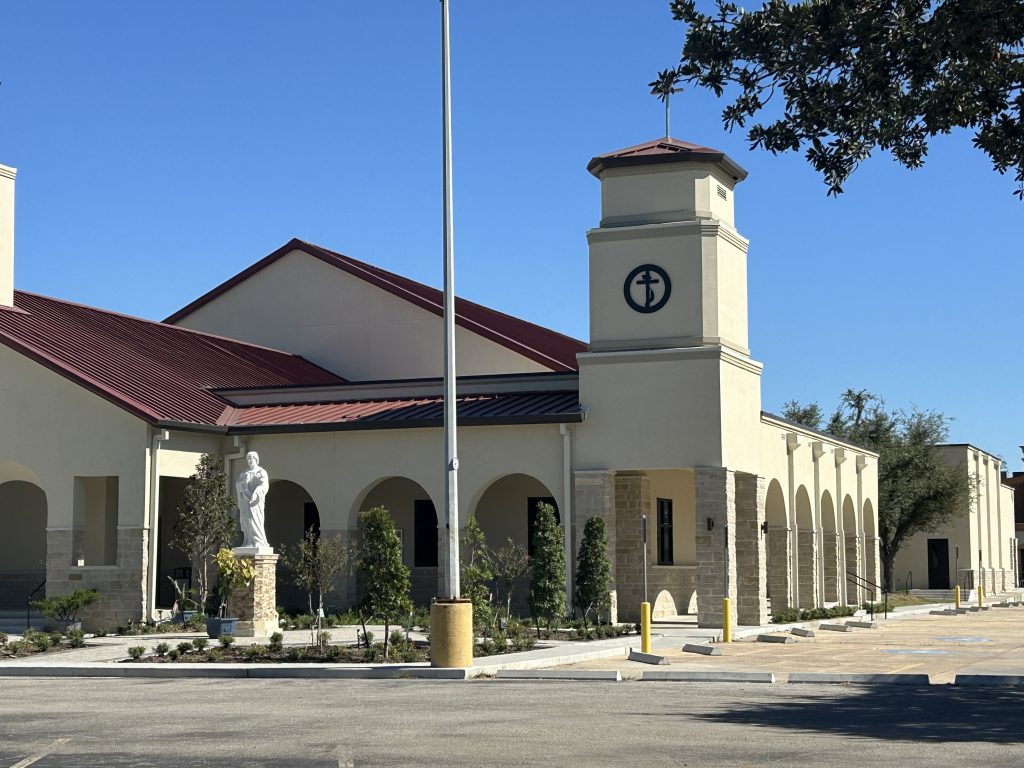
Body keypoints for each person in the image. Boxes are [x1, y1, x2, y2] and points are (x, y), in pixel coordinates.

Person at [235, 451, 270, 549]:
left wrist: (256, 493)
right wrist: (242, 483)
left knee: (255, 520)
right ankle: (248, 541)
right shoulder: (244, 473)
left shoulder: (261, 472)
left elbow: (264, 485)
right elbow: (237, 484)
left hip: (255, 502)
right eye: (248, 459)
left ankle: (258, 541)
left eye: (252, 458)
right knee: (246, 520)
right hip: (245, 501)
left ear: (256, 459)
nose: (250, 460)